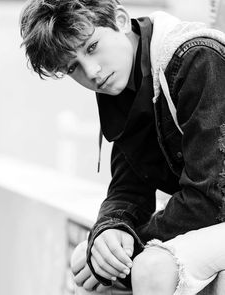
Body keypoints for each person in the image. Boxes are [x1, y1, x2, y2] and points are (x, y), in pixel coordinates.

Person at [19, 0, 225, 294]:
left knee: (150, 268)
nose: (91, 72)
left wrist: (130, 248)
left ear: (120, 19)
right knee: (88, 270)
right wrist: (109, 231)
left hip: (216, 208)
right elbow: (130, 187)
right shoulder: (124, 76)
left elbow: (213, 197)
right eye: (73, 67)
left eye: (91, 47)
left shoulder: (196, 57)